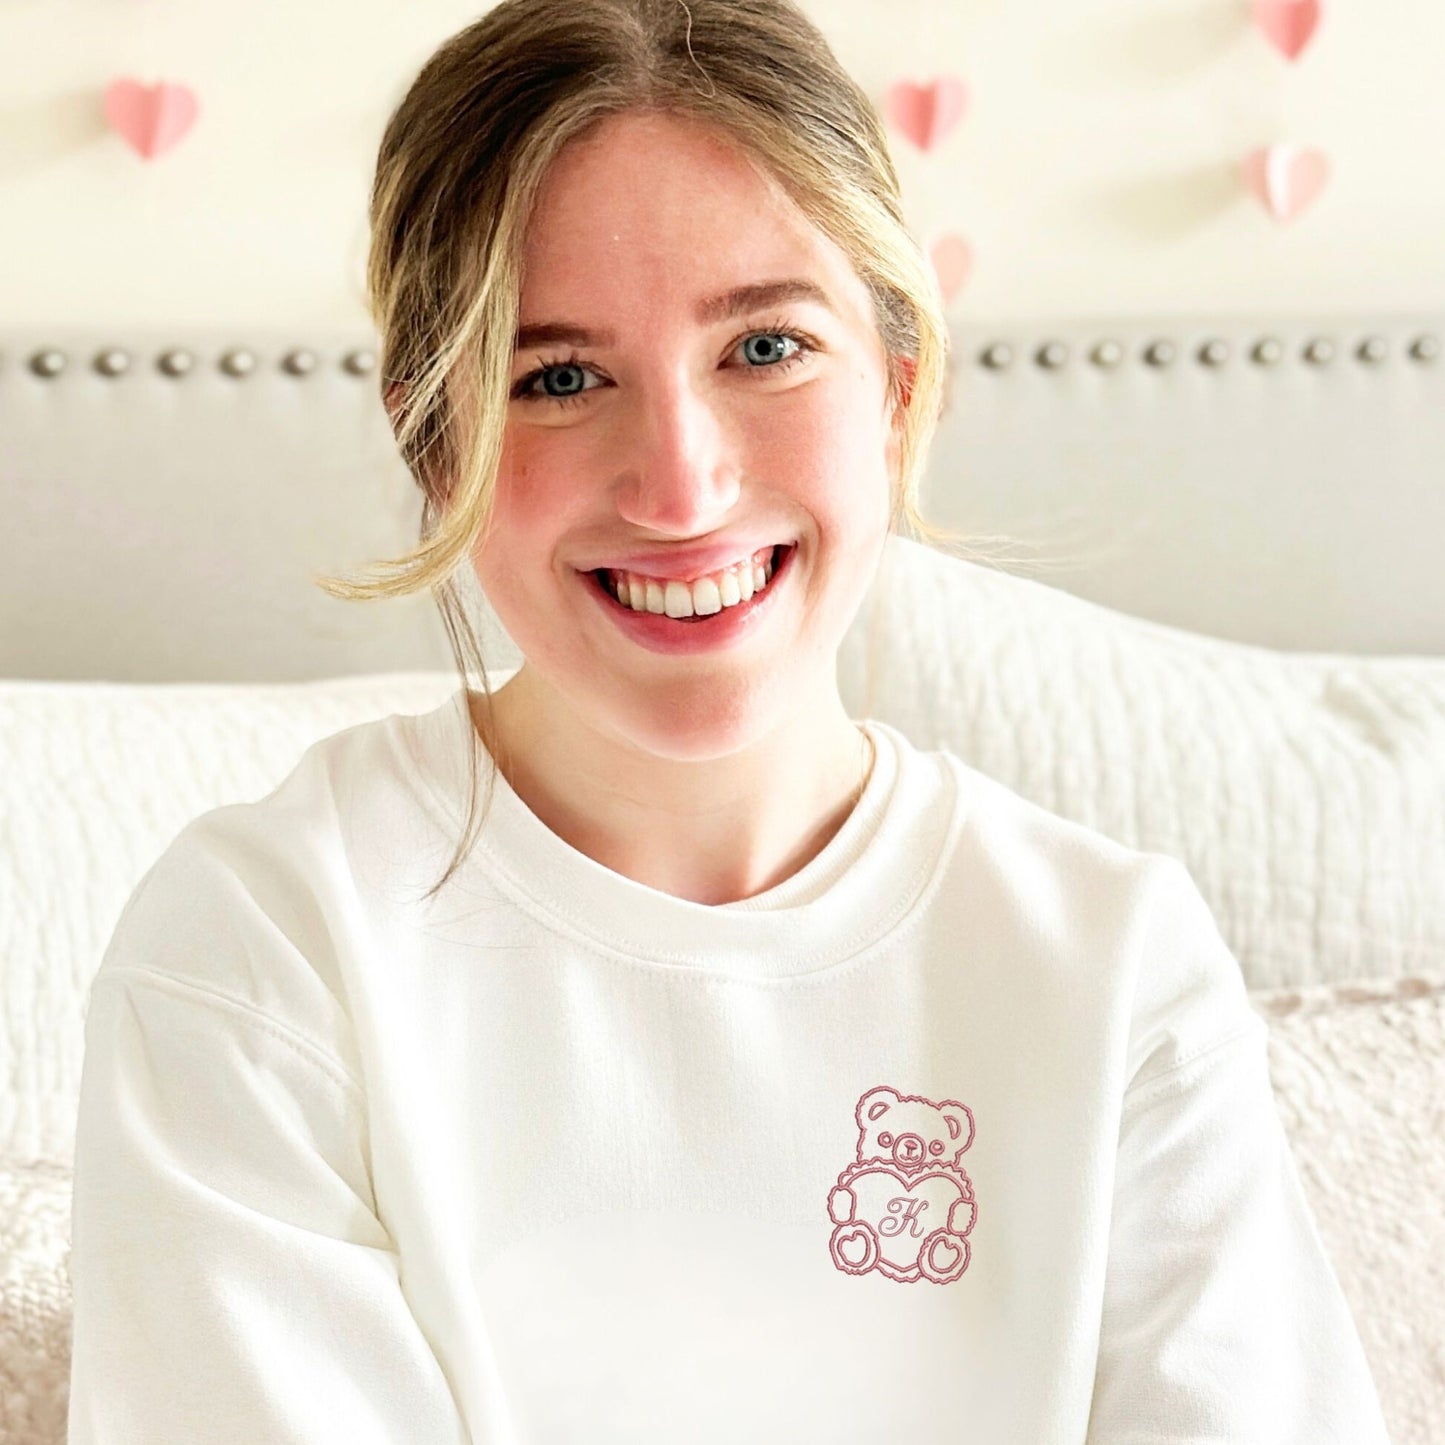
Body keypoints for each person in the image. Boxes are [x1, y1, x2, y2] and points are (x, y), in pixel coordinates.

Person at [66, 1, 1392, 1441]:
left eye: (763, 348)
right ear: (433, 442)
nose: (681, 487)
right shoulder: (267, 950)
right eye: (558, 377)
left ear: (895, 385)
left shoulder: (1113, 971)